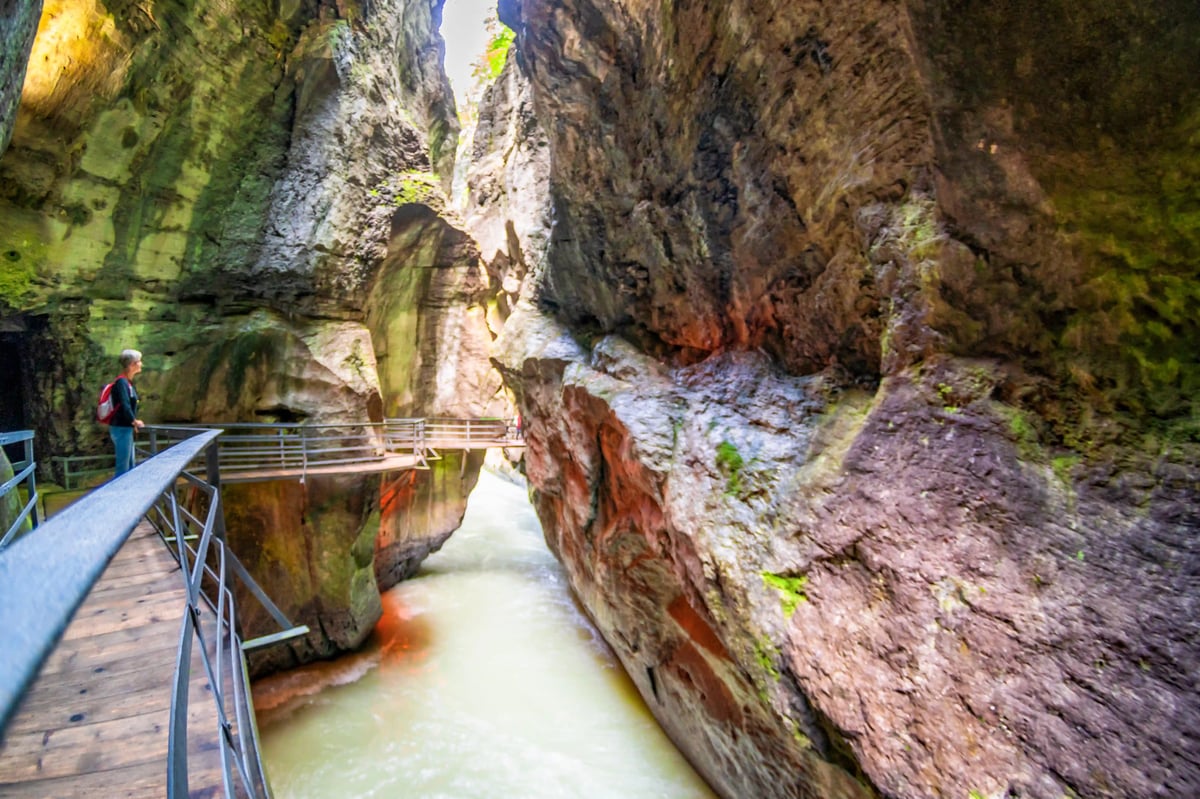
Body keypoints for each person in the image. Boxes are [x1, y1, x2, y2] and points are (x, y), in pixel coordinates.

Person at [110, 349, 145, 477]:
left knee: (129, 466)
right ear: (131, 365)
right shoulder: (122, 382)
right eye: (139, 361)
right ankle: (119, 494)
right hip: (121, 429)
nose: (141, 364)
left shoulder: (127, 382)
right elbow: (125, 404)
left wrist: (132, 423)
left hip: (125, 428)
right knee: (123, 468)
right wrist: (134, 421)